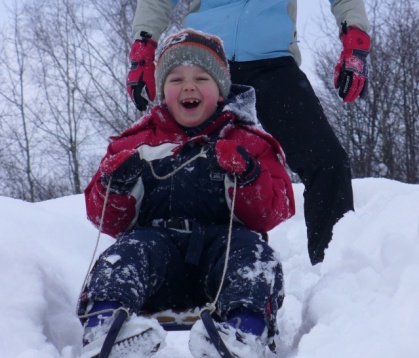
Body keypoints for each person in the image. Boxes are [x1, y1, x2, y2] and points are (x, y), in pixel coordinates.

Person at [78, 29, 295, 358]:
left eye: (201, 78)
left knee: (251, 254)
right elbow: (103, 218)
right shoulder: (136, 142)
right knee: (126, 252)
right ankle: (106, 327)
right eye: (176, 79)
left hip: (221, 259)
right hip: (157, 261)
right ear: (163, 91)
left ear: (221, 91)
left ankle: (244, 331)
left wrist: (248, 175)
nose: (189, 86)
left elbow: (275, 211)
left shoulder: (248, 141)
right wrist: (115, 185)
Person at [127, 0, 371, 266]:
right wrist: (143, 45)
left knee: (327, 162)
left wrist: (355, 41)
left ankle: (334, 270)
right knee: (189, 167)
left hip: (274, 64)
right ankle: (176, 268)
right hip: (204, 63)